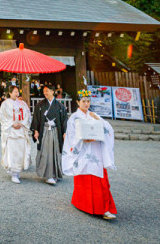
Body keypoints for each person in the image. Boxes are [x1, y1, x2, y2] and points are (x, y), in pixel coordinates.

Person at [62, 90, 117, 219]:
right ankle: (82, 204)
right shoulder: (74, 118)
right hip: (82, 152)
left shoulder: (93, 115)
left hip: (96, 152)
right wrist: (82, 139)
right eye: (83, 101)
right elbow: (70, 137)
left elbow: (108, 129)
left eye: (88, 101)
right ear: (78, 102)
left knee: (100, 180)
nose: (86, 104)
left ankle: (104, 209)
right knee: (84, 179)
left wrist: (97, 119)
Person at [31, 85, 67, 185]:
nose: (45, 93)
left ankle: (55, 174)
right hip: (45, 131)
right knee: (45, 152)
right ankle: (48, 175)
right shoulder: (40, 105)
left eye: (47, 91)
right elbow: (36, 118)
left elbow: (64, 120)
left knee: (55, 151)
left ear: (52, 91)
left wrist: (65, 132)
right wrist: (36, 131)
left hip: (56, 131)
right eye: (44, 91)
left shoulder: (60, 106)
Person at [0, 85, 31, 184]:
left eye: (17, 92)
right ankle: (14, 173)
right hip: (11, 130)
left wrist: (21, 123)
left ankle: (18, 170)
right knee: (12, 151)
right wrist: (12, 124)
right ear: (10, 93)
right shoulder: (5, 104)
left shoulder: (22, 103)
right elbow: (2, 116)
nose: (17, 94)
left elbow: (27, 115)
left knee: (20, 151)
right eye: (15, 92)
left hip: (20, 130)